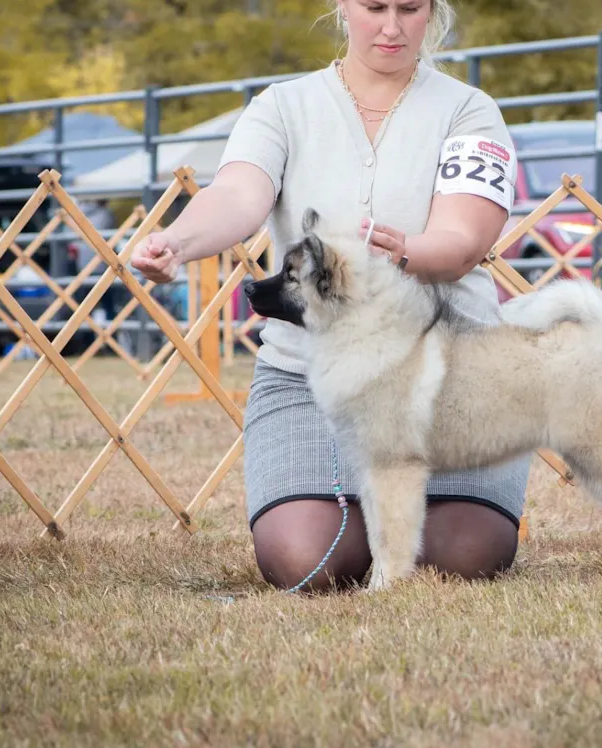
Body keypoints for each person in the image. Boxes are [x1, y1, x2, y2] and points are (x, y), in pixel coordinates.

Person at [130, 0, 530, 592]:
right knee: (304, 562)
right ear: (342, 7)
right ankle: (363, 510)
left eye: (410, 8)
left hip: (453, 373)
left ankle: (386, 512)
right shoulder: (281, 107)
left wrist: (401, 254)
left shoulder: (471, 111)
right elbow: (240, 193)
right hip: (308, 376)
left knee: (460, 559)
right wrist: (177, 241)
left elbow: (464, 242)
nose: (392, 26)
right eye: (374, 7)